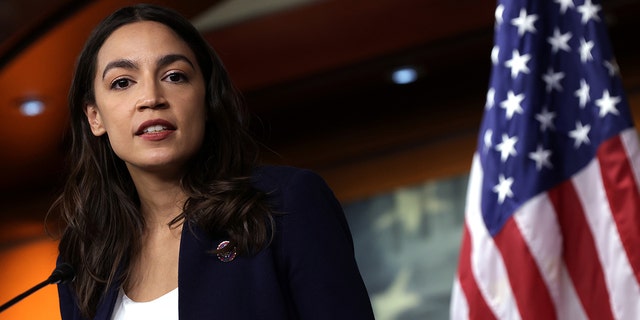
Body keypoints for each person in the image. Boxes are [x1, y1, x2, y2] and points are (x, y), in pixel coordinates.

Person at [49, 3, 375, 320]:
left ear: (206, 99)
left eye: (175, 76)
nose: (151, 98)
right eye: (122, 82)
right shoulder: (81, 257)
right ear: (95, 117)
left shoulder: (287, 202)